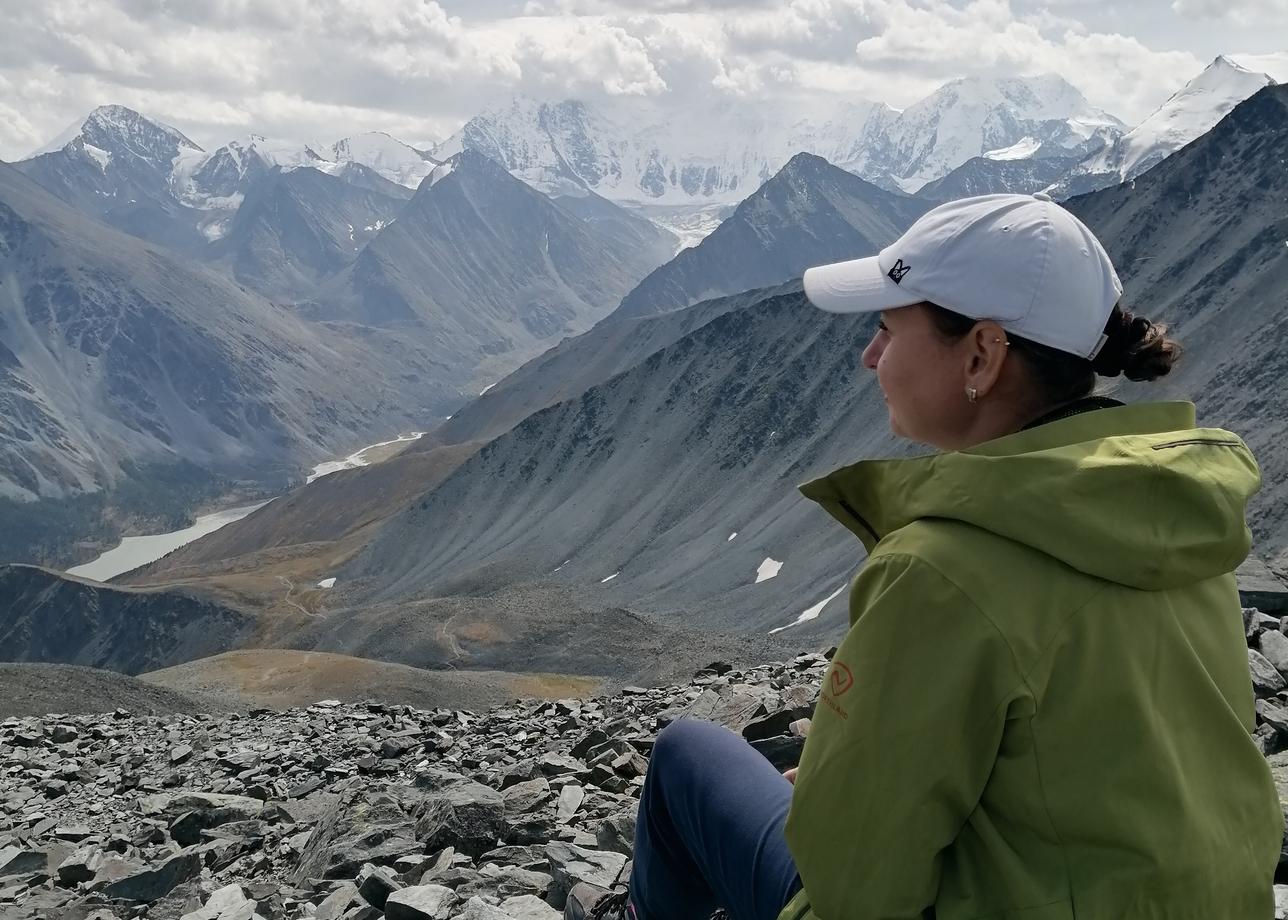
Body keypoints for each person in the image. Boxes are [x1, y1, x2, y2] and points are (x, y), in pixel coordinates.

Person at [563, 193, 1284, 920]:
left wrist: (830, 794)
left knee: (688, 757)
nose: (869, 355)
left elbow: (855, 889)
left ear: (981, 353)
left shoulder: (941, 569)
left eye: (886, 329)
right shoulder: (1171, 510)